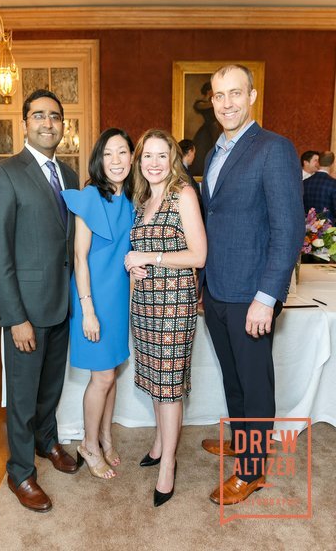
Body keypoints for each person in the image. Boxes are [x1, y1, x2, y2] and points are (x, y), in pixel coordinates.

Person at [200, 64, 305, 505]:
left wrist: (267, 298)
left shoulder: (274, 149)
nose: (227, 103)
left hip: (252, 295)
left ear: (252, 95)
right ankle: (245, 441)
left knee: (255, 383)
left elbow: (289, 229)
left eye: (235, 93)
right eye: (220, 95)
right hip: (218, 289)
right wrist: (204, 287)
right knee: (233, 379)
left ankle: (252, 472)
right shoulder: (213, 152)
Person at [0, 89, 79, 513]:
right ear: (24, 123)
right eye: (38, 115)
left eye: (55, 116)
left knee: (50, 389)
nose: (47, 123)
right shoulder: (5, 173)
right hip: (26, 310)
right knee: (22, 396)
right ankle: (20, 471)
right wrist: (14, 317)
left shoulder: (70, 176)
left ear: (63, 125)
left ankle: (46, 442)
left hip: (61, 305)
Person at [124, 129, 207, 507]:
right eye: (147, 156)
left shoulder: (182, 194)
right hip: (144, 305)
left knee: (170, 384)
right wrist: (133, 265)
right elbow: (138, 250)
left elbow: (198, 256)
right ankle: (159, 443)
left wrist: (150, 260)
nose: (154, 163)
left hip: (175, 304)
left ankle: (168, 465)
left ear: (172, 159)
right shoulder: (142, 200)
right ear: (139, 161)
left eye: (161, 155)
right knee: (156, 380)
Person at [61, 127, 138, 480]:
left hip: (119, 298)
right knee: (102, 376)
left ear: (132, 157)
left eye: (122, 152)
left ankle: (105, 436)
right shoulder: (91, 196)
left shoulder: (134, 198)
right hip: (93, 298)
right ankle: (88, 444)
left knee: (113, 371)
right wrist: (88, 310)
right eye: (108, 154)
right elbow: (80, 258)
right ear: (98, 159)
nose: (116, 160)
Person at [303, 151, 336, 224]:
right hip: (328, 232)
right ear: (332, 164)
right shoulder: (333, 184)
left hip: (307, 229)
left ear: (318, 163)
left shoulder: (304, 182)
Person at [178, 139, 204, 216]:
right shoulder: (181, 172)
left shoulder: (181, 169)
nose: (194, 156)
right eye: (194, 153)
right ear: (190, 152)